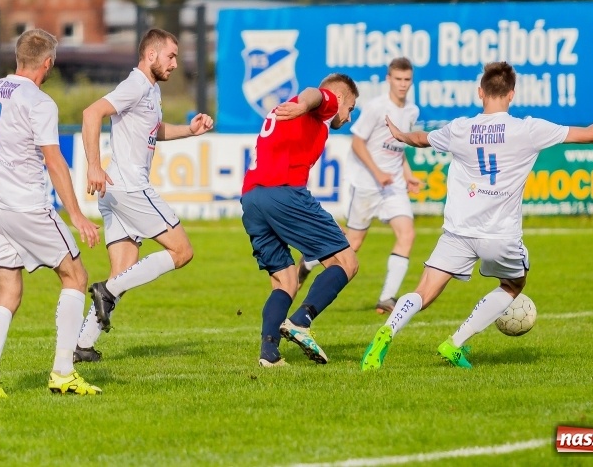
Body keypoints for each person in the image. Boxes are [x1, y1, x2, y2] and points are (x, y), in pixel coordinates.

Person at [360, 61, 593, 370]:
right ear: (512, 94)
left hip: (459, 231)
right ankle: (455, 343)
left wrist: (401, 134)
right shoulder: (529, 129)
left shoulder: (460, 128)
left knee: (423, 291)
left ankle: (388, 330)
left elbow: (420, 139)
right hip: (499, 234)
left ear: (480, 92)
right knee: (513, 285)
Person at [0, 28, 103, 397]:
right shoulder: (39, 101)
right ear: (48, 62)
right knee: (75, 275)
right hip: (24, 204)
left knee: (8, 288)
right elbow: (53, 160)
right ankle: (62, 373)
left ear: (17, 57)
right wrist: (76, 214)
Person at [76, 28, 214, 362]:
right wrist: (94, 165)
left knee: (123, 271)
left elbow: (155, 129)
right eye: (171, 56)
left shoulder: (149, 91)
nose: (176, 64)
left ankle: (81, 345)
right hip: (129, 187)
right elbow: (90, 113)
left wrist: (190, 131)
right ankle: (105, 292)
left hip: (116, 191)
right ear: (151, 55)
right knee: (182, 252)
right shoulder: (135, 84)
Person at [241, 73, 360, 367]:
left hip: (252, 199)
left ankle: (269, 354)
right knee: (347, 262)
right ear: (341, 99)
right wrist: (304, 103)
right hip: (284, 194)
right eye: (351, 108)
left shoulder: (299, 116)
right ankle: (300, 321)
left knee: (286, 279)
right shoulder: (320, 105)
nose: (348, 116)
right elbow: (315, 92)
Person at [297, 57, 421, 315]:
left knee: (407, 234)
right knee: (353, 244)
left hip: (393, 185)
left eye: (407, 79)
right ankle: (309, 260)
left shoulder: (412, 110)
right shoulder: (377, 108)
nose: (402, 84)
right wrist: (378, 173)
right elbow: (358, 143)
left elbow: (399, 147)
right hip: (367, 183)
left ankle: (387, 298)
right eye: (397, 79)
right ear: (388, 79)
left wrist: (407, 174)